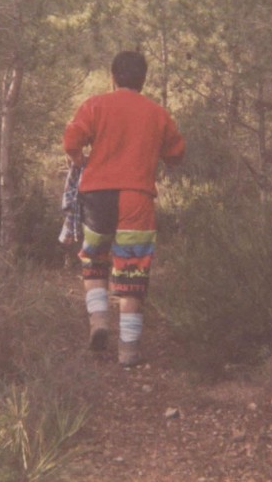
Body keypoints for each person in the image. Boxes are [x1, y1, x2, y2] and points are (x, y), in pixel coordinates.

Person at [63, 51, 186, 367]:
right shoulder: (157, 114)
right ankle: (129, 350)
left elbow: (71, 139)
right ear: (143, 81)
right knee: (133, 267)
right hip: (136, 197)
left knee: (94, 257)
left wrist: (79, 161)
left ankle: (100, 320)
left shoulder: (95, 105)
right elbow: (176, 153)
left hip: (96, 195)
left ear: (112, 76)